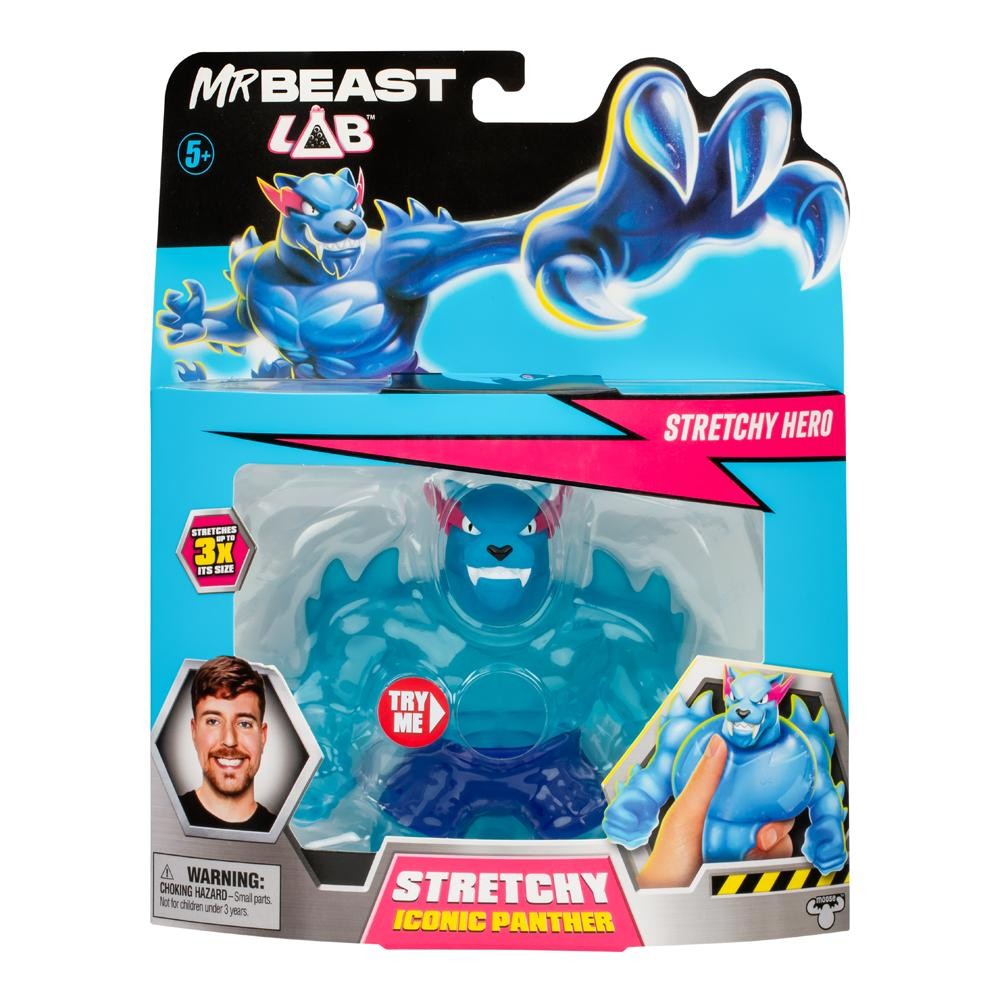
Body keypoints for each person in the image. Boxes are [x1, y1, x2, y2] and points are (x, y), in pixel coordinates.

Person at [179, 656, 276, 832]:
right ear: (194, 731)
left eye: (244, 724)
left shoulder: (283, 834)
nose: (230, 740)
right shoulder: (156, 822)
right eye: (213, 721)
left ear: (263, 736)